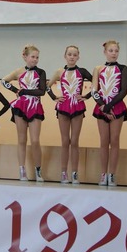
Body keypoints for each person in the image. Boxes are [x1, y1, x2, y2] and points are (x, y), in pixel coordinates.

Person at [47, 45, 92, 184]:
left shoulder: (82, 71)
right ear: (65, 56)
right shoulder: (59, 72)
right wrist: (54, 97)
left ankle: (75, 173)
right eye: (69, 54)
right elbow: (47, 86)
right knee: (65, 141)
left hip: (77, 107)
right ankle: (63, 172)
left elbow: (97, 84)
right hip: (63, 107)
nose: (72, 57)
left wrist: (86, 96)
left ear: (78, 57)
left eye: (74, 55)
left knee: (75, 141)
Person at [2, 45, 46, 181]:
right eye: (32, 57)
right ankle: (22, 170)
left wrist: (23, 91)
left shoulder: (41, 72)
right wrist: (15, 90)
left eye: (37, 57)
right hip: (21, 106)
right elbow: (4, 81)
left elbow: (41, 91)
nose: (35, 59)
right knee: (22, 140)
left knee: (35, 140)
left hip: (35, 106)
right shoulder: (19, 71)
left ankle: (38, 170)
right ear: (25, 57)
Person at [91, 40, 127, 186]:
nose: (114, 53)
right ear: (105, 52)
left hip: (116, 107)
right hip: (101, 107)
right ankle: (103, 173)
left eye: (116, 51)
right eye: (111, 51)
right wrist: (103, 106)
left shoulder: (123, 68)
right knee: (103, 141)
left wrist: (109, 106)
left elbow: (123, 90)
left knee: (114, 140)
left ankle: (112, 174)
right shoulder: (98, 69)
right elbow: (94, 90)